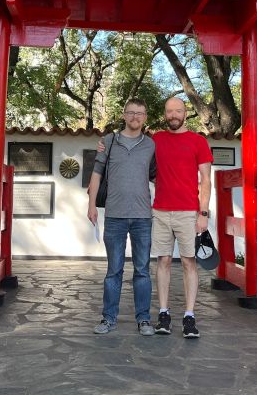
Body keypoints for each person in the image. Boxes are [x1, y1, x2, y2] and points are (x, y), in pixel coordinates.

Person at [87, 98, 157, 336]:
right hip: (115, 216)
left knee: (142, 270)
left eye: (140, 113)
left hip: (142, 217)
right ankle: (108, 318)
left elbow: (160, 176)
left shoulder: (151, 145)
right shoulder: (109, 142)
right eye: (131, 113)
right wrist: (91, 205)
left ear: (145, 117)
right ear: (124, 115)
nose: (135, 117)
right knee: (113, 270)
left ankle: (144, 319)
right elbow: (96, 175)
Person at [151, 97, 212, 338]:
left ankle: (189, 316)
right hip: (161, 211)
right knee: (163, 261)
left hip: (189, 212)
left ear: (186, 113)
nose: (173, 115)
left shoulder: (198, 141)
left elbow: (206, 180)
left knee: (189, 262)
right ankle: (163, 313)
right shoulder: (156, 140)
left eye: (178, 111)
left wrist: (203, 212)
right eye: (169, 111)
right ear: (165, 114)